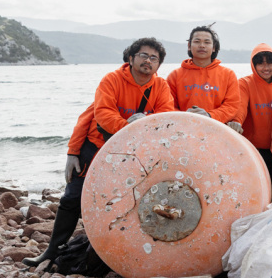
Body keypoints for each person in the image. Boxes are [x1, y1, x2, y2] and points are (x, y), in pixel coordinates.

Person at [24, 39, 175, 266]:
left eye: (154, 58)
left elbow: (165, 117)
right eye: (143, 55)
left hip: (132, 155)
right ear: (131, 58)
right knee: (71, 198)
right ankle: (51, 252)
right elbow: (101, 113)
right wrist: (74, 151)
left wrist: (140, 126)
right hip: (96, 147)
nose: (148, 61)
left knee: (121, 203)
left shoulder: (160, 87)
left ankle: (110, 255)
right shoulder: (112, 80)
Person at [233, 44, 272, 196]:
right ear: (254, 65)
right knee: (257, 192)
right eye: (260, 63)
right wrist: (237, 122)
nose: (266, 68)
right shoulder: (244, 83)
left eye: (270, 63)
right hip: (255, 149)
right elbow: (240, 107)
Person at [167, 24, 240, 124]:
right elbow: (168, 106)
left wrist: (209, 116)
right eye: (197, 41)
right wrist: (185, 117)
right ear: (189, 46)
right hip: (184, 129)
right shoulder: (175, 75)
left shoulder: (228, 75)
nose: (202, 45)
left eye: (207, 42)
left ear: (213, 47)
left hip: (217, 130)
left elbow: (232, 106)